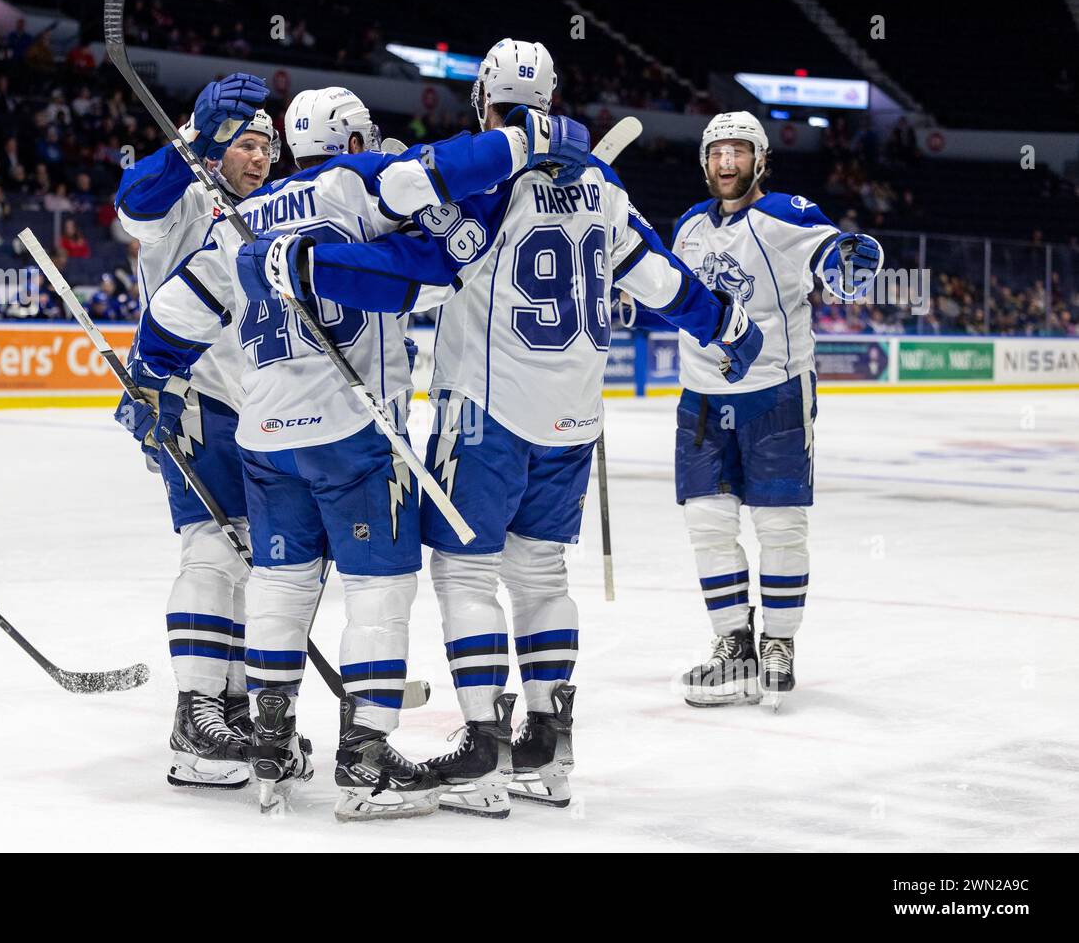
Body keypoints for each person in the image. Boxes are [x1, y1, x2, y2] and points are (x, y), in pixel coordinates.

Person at [244, 41, 762, 817]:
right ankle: (549, 746)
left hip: (483, 414)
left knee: (464, 574)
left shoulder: (489, 182)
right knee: (542, 575)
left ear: (484, 101)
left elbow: (416, 268)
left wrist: (311, 269)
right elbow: (659, 280)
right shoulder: (602, 183)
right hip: (574, 418)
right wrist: (728, 326)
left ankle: (484, 746)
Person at [135, 82, 589, 820]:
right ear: (351, 142)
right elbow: (444, 170)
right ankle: (366, 755)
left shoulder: (241, 215)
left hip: (264, 437)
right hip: (352, 431)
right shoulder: (361, 182)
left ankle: (272, 741)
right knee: (380, 590)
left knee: (280, 585)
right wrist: (529, 143)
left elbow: (179, 309)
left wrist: (146, 379)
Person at [668, 112, 880, 707]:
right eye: (716, 153)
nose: (725, 163)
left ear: (760, 160)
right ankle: (733, 647)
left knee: (779, 523)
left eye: (737, 152)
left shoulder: (786, 214)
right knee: (707, 524)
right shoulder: (687, 226)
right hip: (703, 397)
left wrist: (849, 262)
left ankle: (779, 642)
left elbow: (835, 261)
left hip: (777, 391)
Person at [113, 74, 271, 791]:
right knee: (212, 549)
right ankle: (195, 713)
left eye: (267, 142)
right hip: (192, 400)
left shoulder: (270, 209)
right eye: (245, 141)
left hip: (262, 405)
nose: (260, 155)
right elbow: (131, 203)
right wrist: (192, 144)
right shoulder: (183, 195)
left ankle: (230, 707)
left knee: (249, 558)